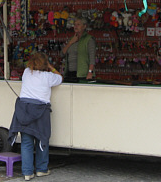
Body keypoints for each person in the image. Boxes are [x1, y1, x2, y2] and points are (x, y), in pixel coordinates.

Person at [8, 52, 62, 181]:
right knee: (42, 140)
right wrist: (51, 67)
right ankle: (41, 170)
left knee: (26, 143)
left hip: (24, 109)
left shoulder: (26, 72)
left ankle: (27, 173)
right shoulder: (48, 76)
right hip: (40, 111)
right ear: (45, 64)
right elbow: (60, 78)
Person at [61, 17, 96, 82]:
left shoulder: (89, 39)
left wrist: (90, 72)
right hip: (69, 73)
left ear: (84, 26)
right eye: (74, 24)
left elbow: (92, 58)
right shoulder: (71, 39)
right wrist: (71, 42)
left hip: (82, 74)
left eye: (78, 24)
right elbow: (62, 54)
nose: (75, 26)